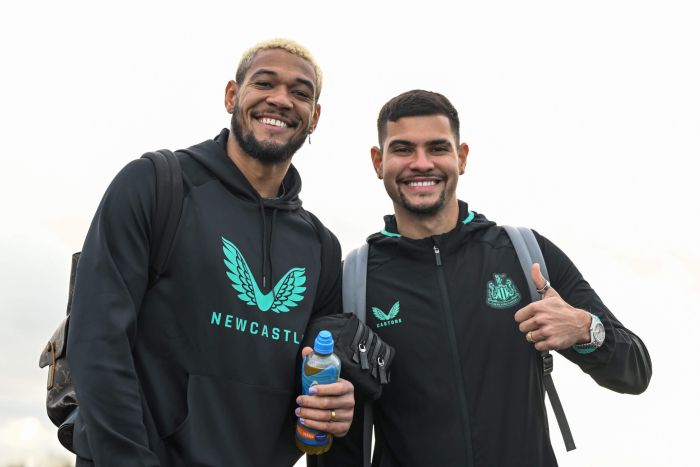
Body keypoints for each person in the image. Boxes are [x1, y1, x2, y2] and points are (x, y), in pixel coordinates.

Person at [319, 89, 652, 466]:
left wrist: (584, 329)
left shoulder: (525, 255)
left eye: (438, 148)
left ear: (461, 157)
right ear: (378, 162)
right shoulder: (354, 281)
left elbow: (636, 372)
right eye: (403, 149)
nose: (421, 163)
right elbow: (333, 434)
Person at [67, 38, 354, 467]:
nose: (281, 99)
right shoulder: (155, 185)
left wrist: (335, 404)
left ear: (314, 118)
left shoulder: (321, 247)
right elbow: (96, 342)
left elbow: (314, 376)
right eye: (264, 83)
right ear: (232, 96)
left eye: (300, 92)